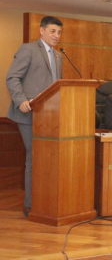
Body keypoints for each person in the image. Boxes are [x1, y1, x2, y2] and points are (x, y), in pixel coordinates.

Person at [6, 16, 64, 217]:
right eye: (52, 31)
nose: (56, 36)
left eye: (58, 32)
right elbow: (12, 77)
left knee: (47, 159)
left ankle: (47, 199)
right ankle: (31, 204)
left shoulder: (59, 57)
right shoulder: (28, 50)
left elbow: (58, 87)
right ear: (41, 31)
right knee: (36, 157)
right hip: (29, 114)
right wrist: (21, 100)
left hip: (50, 118)